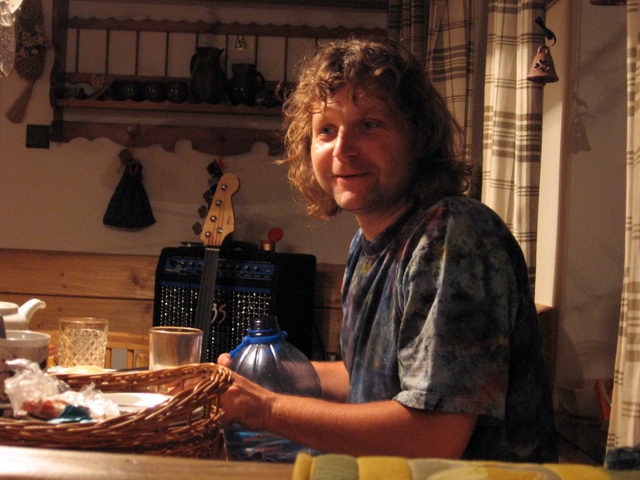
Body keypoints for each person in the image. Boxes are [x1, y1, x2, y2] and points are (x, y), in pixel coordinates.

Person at [217, 37, 558, 462]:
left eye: (369, 124)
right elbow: (365, 378)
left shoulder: (453, 234)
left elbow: (433, 436)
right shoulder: (368, 243)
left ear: (418, 136)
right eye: (326, 130)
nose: (343, 149)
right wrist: (260, 375)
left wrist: (264, 407)